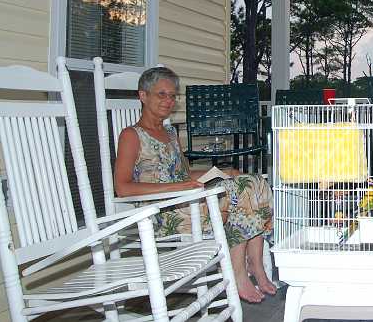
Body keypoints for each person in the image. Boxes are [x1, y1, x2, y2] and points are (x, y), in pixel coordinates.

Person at [114, 66, 276, 303]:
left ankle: (256, 266)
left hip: (186, 199)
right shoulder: (131, 135)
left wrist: (223, 171)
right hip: (162, 211)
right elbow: (123, 187)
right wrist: (178, 188)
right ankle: (238, 272)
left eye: (172, 95)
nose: (169, 101)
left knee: (254, 181)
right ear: (143, 96)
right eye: (162, 94)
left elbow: (184, 172)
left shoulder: (169, 133)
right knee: (240, 193)